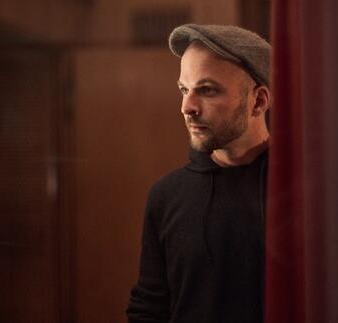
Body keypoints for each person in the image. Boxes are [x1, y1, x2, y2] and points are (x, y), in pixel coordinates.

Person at [126, 24, 271, 323]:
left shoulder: (301, 190)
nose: (186, 107)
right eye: (184, 89)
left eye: (207, 90)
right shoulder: (166, 196)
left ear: (257, 101)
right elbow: (149, 308)